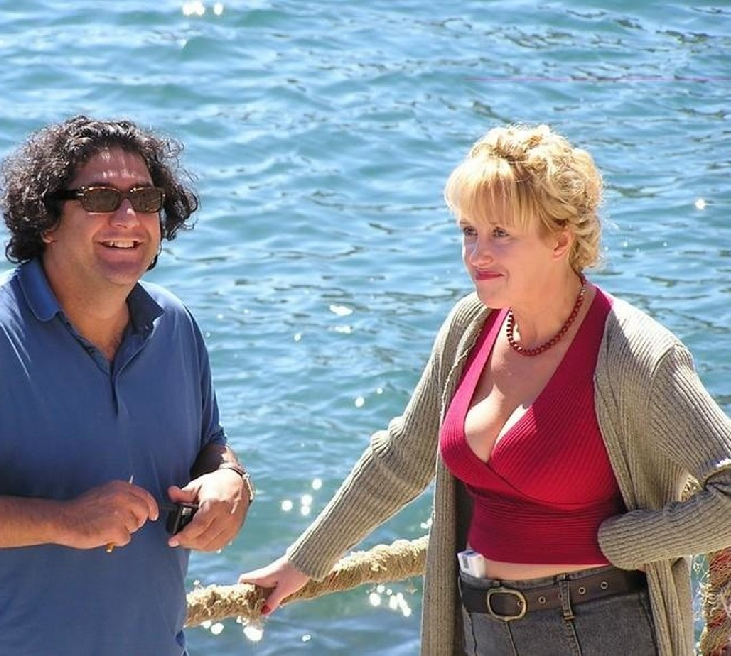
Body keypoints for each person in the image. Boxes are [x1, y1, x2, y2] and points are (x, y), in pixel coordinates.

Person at [240, 124, 731, 655]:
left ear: (560, 239)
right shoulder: (470, 327)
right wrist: (303, 562)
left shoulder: (635, 353)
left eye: (501, 234)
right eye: (468, 231)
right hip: (481, 629)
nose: (477, 254)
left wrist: (623, 542)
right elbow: (403, 457)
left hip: (599, 631)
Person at [0, 115, 254, 656]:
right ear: (46, 221)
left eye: (144, 198)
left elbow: (209, 444)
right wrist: (63, 521)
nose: (127, 216)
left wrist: (230, 479)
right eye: (100, 197)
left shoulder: (175, 326)